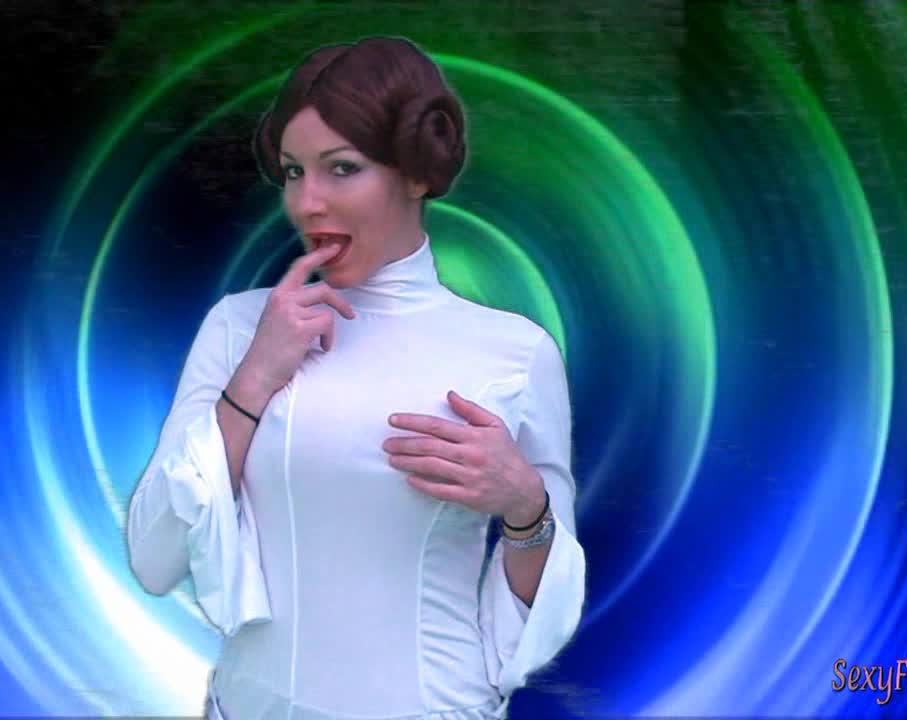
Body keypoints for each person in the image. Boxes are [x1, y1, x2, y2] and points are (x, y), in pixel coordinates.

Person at [126, 36, 585, 720]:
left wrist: (525, 507)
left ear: (416, 173)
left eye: (341, 168)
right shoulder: (238, 329)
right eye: (292, 172)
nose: (306, 202)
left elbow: (536, 619)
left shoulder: (514, 354)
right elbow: (153, 557)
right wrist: (254, 379)